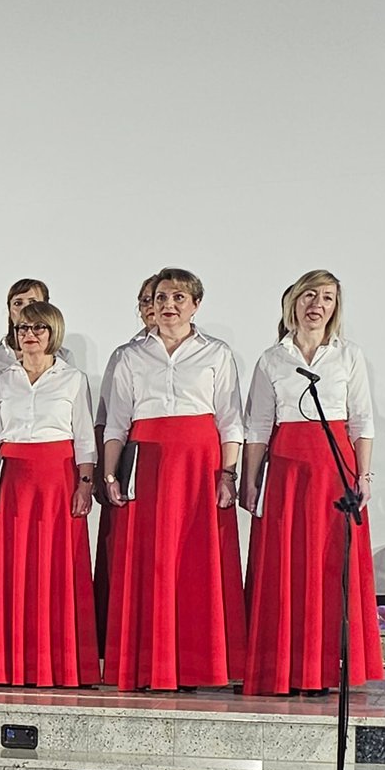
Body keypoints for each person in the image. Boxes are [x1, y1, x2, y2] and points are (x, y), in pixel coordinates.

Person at [102, 267, 245, 690]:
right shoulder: (130, 355)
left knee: (194, 561)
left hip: (199, 465)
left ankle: (197, 666)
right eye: (162, 297)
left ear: (196, 305)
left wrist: (228, 474)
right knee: (150, 561)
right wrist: (110, 474)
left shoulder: (216, 353)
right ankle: (148, 665)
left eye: (179, 298)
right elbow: (117, 424)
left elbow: (230, 421)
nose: (169, 305)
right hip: (146, 464)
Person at [241, 270, 383, 695]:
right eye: (309, 295)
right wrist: (251, 481)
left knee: (328, 565)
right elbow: (258, 427)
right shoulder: (272, 359)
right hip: (287, 471)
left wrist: (364, 475)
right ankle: (286, 669)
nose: (317, 304)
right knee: (287, 565)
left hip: (334, 470)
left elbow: (361, 421)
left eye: (327, 297)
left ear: (335, 307)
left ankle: (325, 669)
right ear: (294, 302)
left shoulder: (348, 355)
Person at [0, 302, 98, 686]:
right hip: (11, 481)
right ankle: (6, 663)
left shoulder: (72, 379)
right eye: (23, 328)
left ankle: (57, 664)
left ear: (53, 332)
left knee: (55, 569)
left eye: (39, 328)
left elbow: (84, 438)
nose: (30, 335)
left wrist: (85, 483)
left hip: (57, 480)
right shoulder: (3, 380)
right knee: (9, 568)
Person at [93, 274, 160, 650]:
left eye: (158, 298)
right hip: (132, 460)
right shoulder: (126, 354)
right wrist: (107, 472)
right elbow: (109, 417)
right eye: (145, 300)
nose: (153, 307)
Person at [0, 278, 73, 512]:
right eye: (18, 303)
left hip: (51, 461)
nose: (25, 308)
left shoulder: (64, 358)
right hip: (3, 459)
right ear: (9, 310)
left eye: (33, 302)